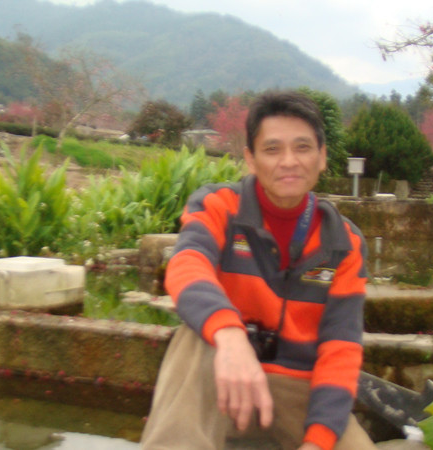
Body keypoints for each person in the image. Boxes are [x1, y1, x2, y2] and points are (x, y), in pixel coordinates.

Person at [140, 91, 376, 450]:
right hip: (223, 374)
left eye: (302, 147)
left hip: (297, 389)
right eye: (272, 149)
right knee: (194, 335)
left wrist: (318, 442)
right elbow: (187, 264)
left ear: (322, 157)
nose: (289, 161)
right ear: (250, 159)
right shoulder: (219, 206)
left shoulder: (344, 242)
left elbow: (341, 349)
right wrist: (230, 335)